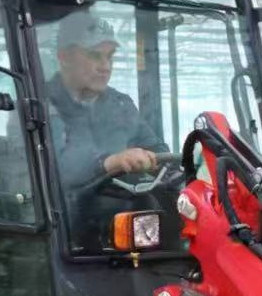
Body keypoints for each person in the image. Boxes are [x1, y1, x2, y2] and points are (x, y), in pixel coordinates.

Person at [45, 10, 170, 191]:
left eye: (109, 56)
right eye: (94, 55)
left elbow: (155, 149)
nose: (106, 67)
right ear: (64, 57)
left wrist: (164, 162)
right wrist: (111, 162)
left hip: (123, 205)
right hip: (65, 207)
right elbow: (55, 168)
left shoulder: (121, 105)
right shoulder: (38, 106)